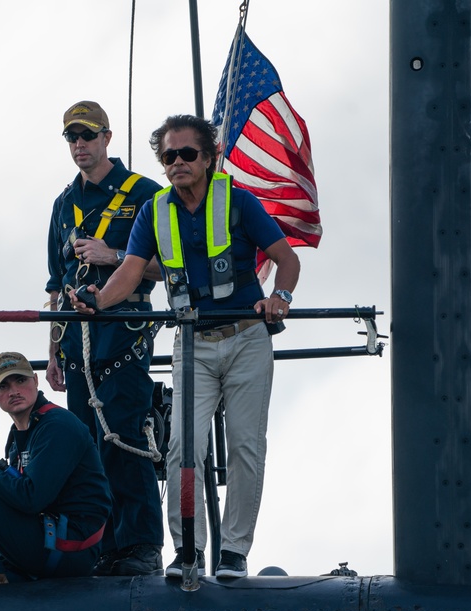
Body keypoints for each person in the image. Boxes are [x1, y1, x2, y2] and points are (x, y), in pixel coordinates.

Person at [71, 114, 301, 579]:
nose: (177, 162)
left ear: (210, 158)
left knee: (244, 447)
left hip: (245, 339)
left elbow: (286, 259)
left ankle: (233, 552)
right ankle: (188, 552)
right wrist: (97, 300)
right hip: (191, 342)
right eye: (168, 155)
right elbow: (131, 271)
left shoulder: (239, 201)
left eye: (187, 154)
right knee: (182, 449)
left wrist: (280, 298)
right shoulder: (155, 211)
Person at [45, 101, 166, 576]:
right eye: (72, 137)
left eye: (88, 136)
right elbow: (57, 284)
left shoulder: (146, 195)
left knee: (124, 440)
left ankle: (140, 547)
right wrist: (52, 351)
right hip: (77, 344)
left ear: (107, 138)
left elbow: (170, 268)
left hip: (123, 336)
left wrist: (113, 254)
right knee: (87, 449)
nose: (80, 145)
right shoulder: (63, 204)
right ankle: (102, 546)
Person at [0, 352, 112, 585]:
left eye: (20, 380)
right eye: (3, 386)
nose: (14, 391)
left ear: (35, 381)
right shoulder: (19, 435)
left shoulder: (58, 426)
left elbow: (32, 497)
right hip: (48, 538)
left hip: (69, 548)